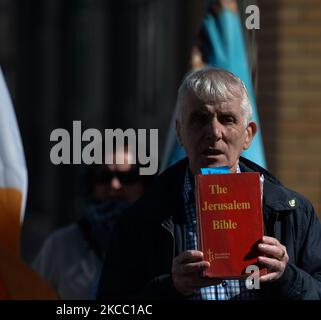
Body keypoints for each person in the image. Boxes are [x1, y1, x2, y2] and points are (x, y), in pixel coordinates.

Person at [97, 68, 321, 300]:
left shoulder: (292, 213)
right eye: (199, 119)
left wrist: (287, 276)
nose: (214, 132)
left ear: (248, 135)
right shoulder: (142, 218)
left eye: (227, 119)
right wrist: (170, 287)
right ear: (180, 132)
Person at [32, 147, 150, 299]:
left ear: (145, 184)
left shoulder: (164, 241)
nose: (114, 185)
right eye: (104, 176)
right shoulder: (60, 246)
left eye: (127, 177)